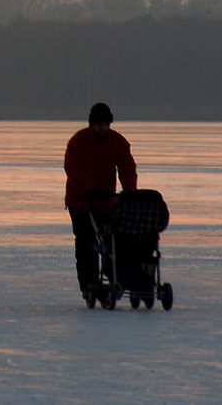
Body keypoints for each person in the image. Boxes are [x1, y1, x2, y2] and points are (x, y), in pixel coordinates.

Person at [64, 102, 137, 304]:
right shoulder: (78, 142)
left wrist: (130, 190)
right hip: (81, 201)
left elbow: (127, 166)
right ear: (91, 124)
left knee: (111, 241)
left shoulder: (117, 142)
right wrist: (90, 189)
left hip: (106, 201)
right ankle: (88, 284)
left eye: (106, 124)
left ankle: (113, 277)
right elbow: (74, 170)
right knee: (86, 243)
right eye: (99, 124)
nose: (103, 128)